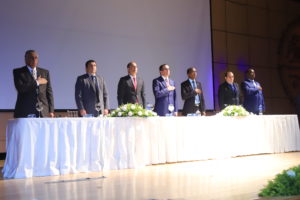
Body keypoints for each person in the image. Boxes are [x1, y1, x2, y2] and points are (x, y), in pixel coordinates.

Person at [13, 50, 54, 118]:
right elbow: (20, 88)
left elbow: (49, 92)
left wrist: (51, 110)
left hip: (43, 111)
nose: (34, 59)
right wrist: (37, 82)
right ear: (26, 59)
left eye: (36, 57)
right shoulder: (18, 72)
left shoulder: (45, 72)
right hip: (25, 111)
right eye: (32, 57)